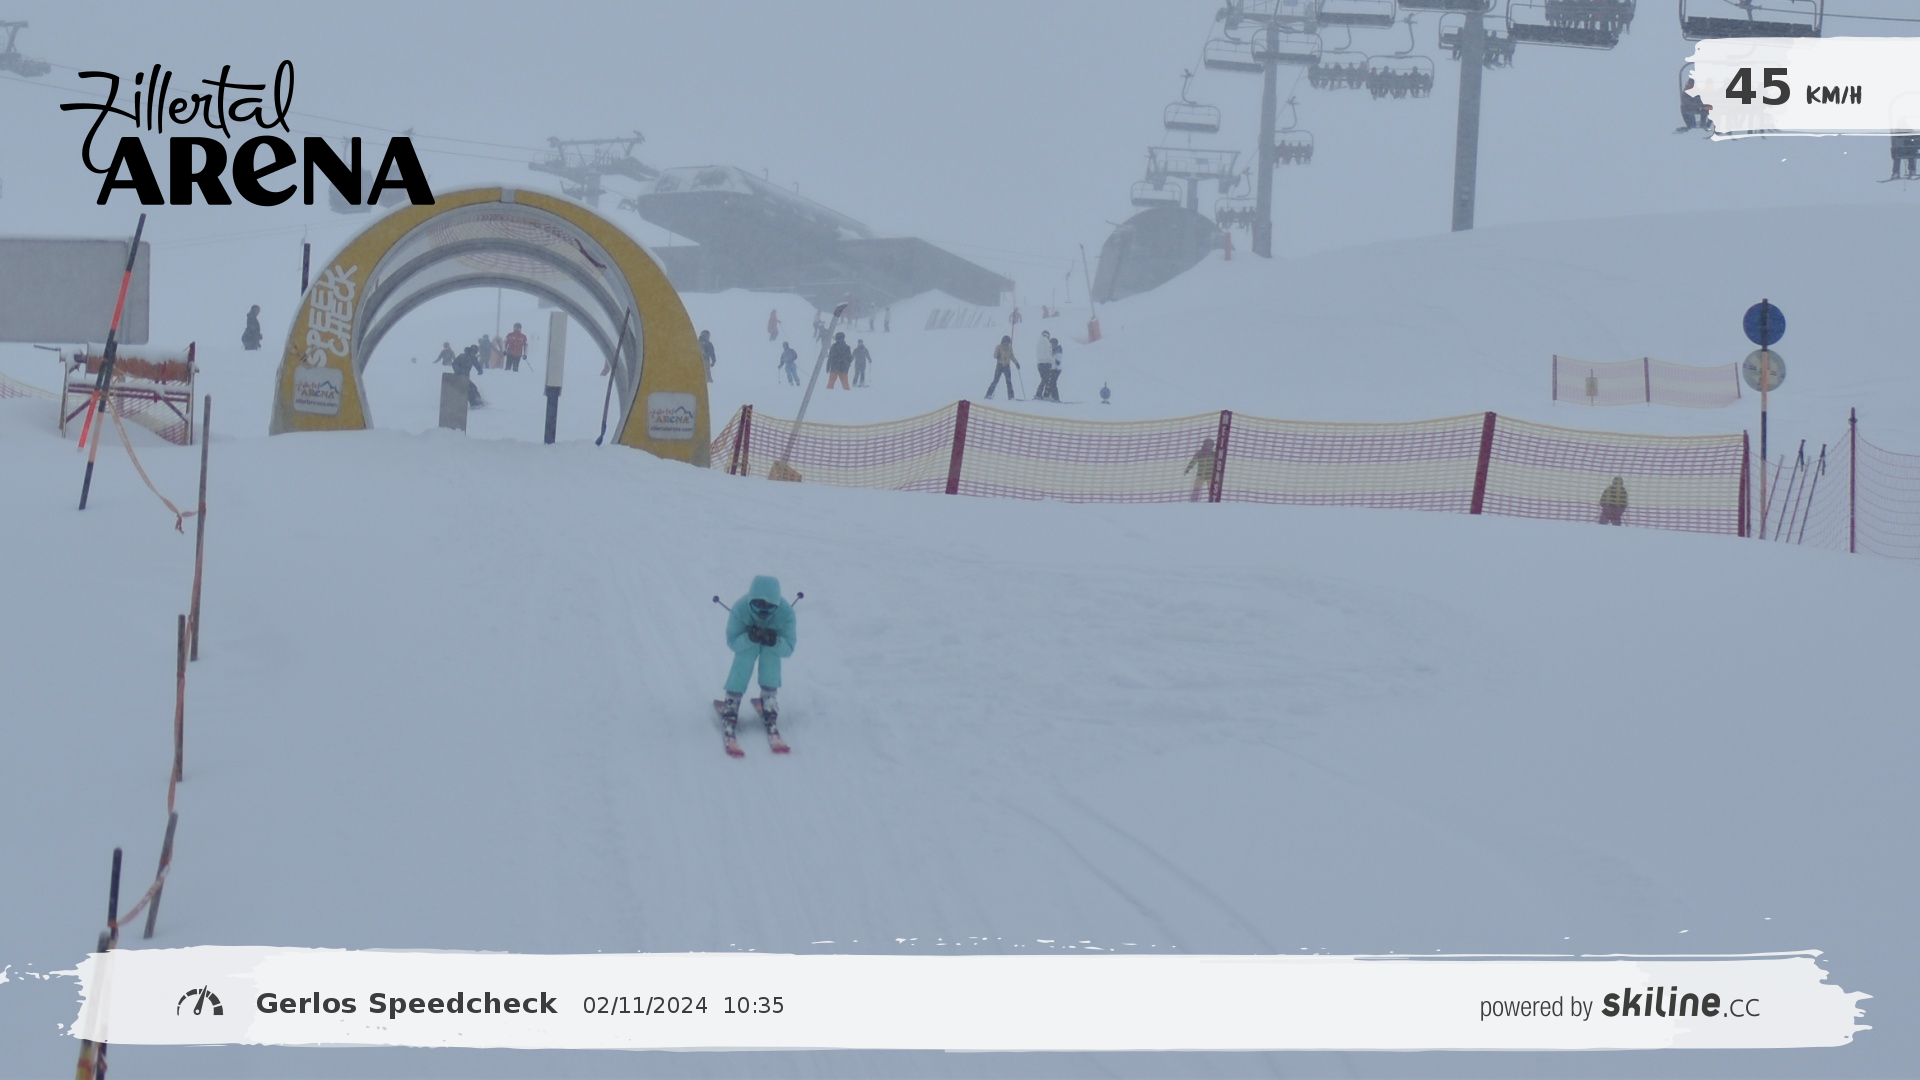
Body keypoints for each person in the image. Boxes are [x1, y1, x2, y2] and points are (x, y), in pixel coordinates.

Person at [716, 574, 797, 732]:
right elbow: (733, 642)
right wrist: (749, 638)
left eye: (769, 607)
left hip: (771, 648)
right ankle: (732, 698)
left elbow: (788, 648)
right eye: (758, 605)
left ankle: (769, 696)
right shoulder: (740, 609)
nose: (762, 611)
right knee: (745, 654)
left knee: (771, 654)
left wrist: (775, 641)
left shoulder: (786, 614)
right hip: (747, 645)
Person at [1183, 436, 1216, 501]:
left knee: (1212, 491)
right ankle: (1193, 502)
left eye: (1210, 444)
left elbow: (1219, 463)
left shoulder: (1214, 454)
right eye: (1207, 444)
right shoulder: (1199, 453)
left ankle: (1212, 501)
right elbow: (1193, 461)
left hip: (1210, 476)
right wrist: (1188, 469)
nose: (1208, 446)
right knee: (1196, 490)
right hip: (1200, 475)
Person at [986, 335, 1019, 399]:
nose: (1007, 344)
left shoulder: (1010, 348)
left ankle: (1011, 396)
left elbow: (1012, 356)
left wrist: (1016, 363)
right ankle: (988, 394)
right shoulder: (999, 347)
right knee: (995, 380)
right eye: (1006, 342)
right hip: (999, 365)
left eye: (1008, 342)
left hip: (1007, 366)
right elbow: (994, 355)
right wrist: (997, 355)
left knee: (1009, 382)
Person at [1034, 331, 1056, 402]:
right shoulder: (1047, 343)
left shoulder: (1039, 343)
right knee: (1047, 380)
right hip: (1046, 363)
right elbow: (1047, 354)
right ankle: (1041, 395)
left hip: (1039, 363)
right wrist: (1053, 360)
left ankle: (1040, 394)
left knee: (1043, 379)